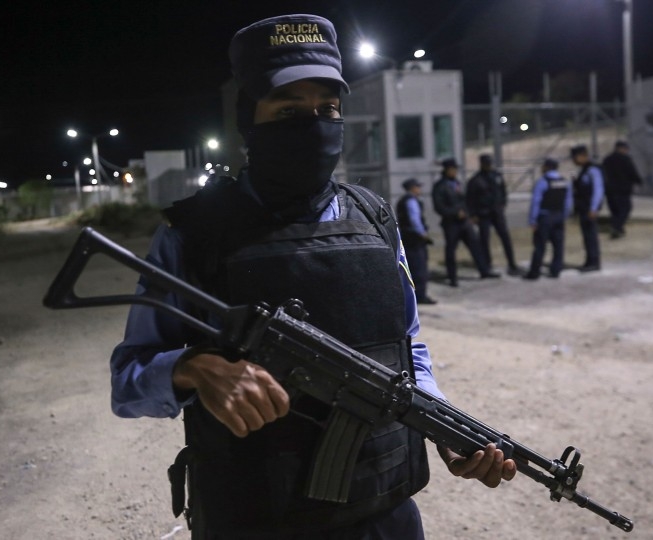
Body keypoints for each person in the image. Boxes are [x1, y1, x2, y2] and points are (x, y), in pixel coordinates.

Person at [109, 14, 515, 540]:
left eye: (327, 109)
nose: (313, 124)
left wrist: (442, 425)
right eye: (289, 110)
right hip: (256, 519)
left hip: (386, 514)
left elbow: (407, 345)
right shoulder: (195, 233)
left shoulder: (374, 219)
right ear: (250, 121)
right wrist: (192, 368)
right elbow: (127, 382)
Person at [432, 158, 501, 287]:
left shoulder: (456, 183)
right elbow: (439, 207)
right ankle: (452, 277)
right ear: (446, 170)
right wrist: (454, 213)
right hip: (451, 223)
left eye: (455, 170)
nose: (454, 172)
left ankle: (484, 270)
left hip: (464, 222)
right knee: (451, 250)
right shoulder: (440, 186)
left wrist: (469, 214)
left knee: (475, 245)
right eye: (452, 170)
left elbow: (464, 201)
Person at [466, 154, 521, 275]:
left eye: (490, 164)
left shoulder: (497, 176)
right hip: (483, 214)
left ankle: (512, 263)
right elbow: (470, 199)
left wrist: (502, 204)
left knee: (505, 237)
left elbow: (503, 191)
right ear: (481, 164)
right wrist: (473, 214)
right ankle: (487, 264)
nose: (489, 166)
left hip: (497, 213)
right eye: (486, 164)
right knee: (484, 240)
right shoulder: (476, 180)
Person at [524, 158, 572, 280]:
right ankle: (556, 270)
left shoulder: (543, 181)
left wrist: (533, 220)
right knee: (558, 245)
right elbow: (568, 202)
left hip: (545, 217)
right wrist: (564, 215)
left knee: (540, 245)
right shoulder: (564, 182)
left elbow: (536, 202)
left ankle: (534, 273)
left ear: (546, 167)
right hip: (559, 216)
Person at [396, 178, 436, 305]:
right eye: (417, 187)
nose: (419, 189)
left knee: (411, 267)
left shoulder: (404, 200)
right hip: (414, 239)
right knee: (419, 268)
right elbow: (414, 220)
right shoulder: (411, 201)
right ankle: (420, 296)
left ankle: (413, 295)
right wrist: (423, 234)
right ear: (412, 188)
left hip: (408, 238)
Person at [570, 145, 604, 272]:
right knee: (586, 236)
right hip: (583, 208)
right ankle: (589, 260)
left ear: (581, 156)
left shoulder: (592, 170)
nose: (573, 161)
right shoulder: (584, 170)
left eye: (575, 157)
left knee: (591, 236)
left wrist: (594, 208)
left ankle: (594, 262)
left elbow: (598, 190)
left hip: (589, 209)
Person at [601, 140, 642, 238]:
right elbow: (632, 172)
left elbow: (602, 173)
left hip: (609, 189)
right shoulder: (625, 159)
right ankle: (616, 227)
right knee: (625, 209)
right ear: (621, 148)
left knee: (615, 210)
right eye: (625, 149)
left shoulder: (607, 159)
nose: (626, 151)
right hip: (623, 189)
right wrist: (639, 181)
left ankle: (619, 229)